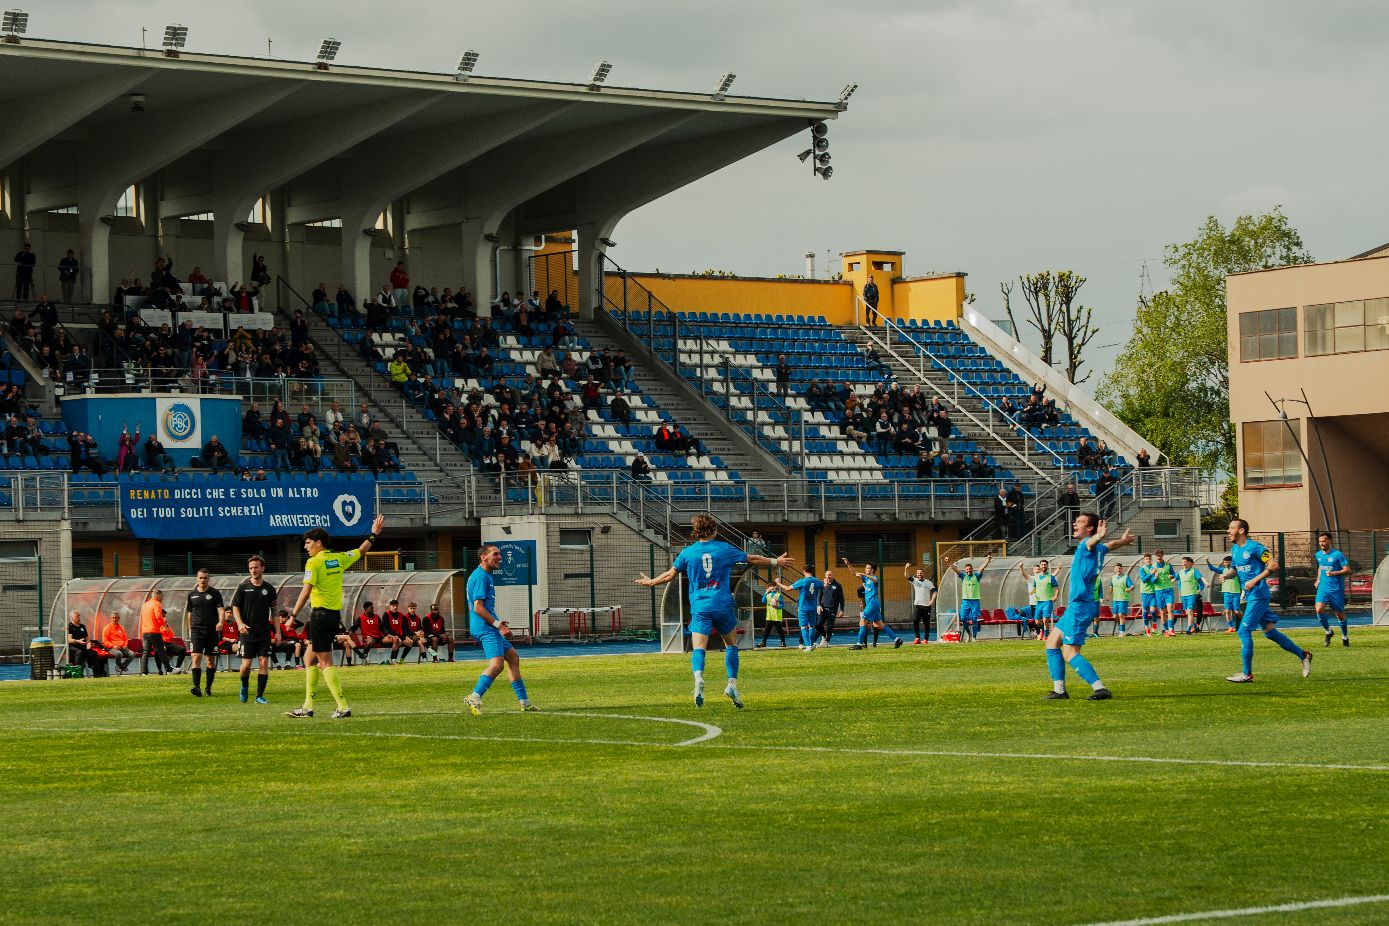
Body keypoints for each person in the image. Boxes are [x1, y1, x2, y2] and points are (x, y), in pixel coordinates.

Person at [635, 515, 788, 708]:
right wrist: (775, 562)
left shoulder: (687, 553)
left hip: (700, 607)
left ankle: (698, 678)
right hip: (722, 605)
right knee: (731, 645)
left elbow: (669, 575)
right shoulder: (724, 549)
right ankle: (731, 684)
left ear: (696, 531)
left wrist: (651, 582)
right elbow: (752, 558)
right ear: (713, 530)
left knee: (699, 648)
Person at [285, 513, 387, 719]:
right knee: (308, 659)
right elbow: (361, 551)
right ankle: (307, 707)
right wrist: (374, 534)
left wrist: (292, 616)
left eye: (308, 542)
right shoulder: (338, 558)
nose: (305, 546)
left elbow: (306, 591)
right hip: (332, 617)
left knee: (325, 663)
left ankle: (342, 706)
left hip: (320, 616)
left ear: (318, 543)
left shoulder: (313, 563)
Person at [1042, 515, 1134, 700]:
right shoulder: (1098, 548)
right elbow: (1110, 545)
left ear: (1090, 528)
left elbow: (1093, 542)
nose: (1075, 524)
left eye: (1080, 522)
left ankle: (1100, 688)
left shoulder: (1088, 544)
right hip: (1077, 606)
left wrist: (1098, 536)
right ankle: (1059, 690)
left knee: (1070, 652)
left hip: (1081, 607)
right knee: (1051, 642)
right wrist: (1123, 541)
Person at [1222, 518, 1312, 684]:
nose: (1228, 531)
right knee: (1270, 632)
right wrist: (1227, 574)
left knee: (1243, 631)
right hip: (1251, 596)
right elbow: (1235, 569)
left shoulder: (1256, 548)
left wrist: (1254, 580)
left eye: (1231, 528)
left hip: (1259, 594)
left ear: (1241, 530)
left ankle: (1247, 674)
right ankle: (1303, 654)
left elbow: (1273, 565)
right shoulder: (1235, 549)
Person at [463, 544, 537, 715]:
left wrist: (496, 622)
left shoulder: (483, 575)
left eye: (500, 554)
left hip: (486, 625)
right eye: (495, 554)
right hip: (486, 628)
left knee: (513, 658)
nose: (500, 558)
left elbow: (475, 607)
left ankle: (525, 702)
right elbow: (478, 608)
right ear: (483, 557)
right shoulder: (481, 576)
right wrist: (499, 626)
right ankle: (474, 696)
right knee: (497, 665)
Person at [231, 555, 279, 704]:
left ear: (262, 568)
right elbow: (235, 607)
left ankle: (259, 696)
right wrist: (240, 624)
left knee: (263, 662)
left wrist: (277, 632)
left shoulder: (269, 589)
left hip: (263, 632)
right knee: (246, 666)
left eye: (256, 567)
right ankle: (244, 686)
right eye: (251, 568)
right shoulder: (243, 588)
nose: (253, 570)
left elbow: (274, 612)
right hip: (247, 632)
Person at [844, 558, 902, 650]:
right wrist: (848, 564)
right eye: (866, 568)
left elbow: (875, 580)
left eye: (867, 568)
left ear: (872, 570)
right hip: (873, 604)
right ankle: (897, 639)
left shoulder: (875, 578)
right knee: (880, 625)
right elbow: (854, 573)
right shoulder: (865, 578)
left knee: (862, 621)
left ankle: (859, 644)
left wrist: (864, 575)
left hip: (872, 603)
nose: (865, 569)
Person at [184, 568, 225, 697]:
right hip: (197, 630)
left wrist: (221, 622)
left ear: (208, 578)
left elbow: (221, 609)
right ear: (197, 578)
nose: (203, 580)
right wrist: (190, 629)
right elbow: (189, 614)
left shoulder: (215, 593)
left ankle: (208, 688)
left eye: (205, 578)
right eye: (200, 578)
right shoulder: (192, 595)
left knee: (210, 660)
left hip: (211, 631)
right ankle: (197, 687)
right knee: (196, 657)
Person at [1313, 531, 1351, 647]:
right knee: (1319, 609)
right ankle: (1328, 631)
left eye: (1324, 541)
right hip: (1323, 588)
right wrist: (1318, 579)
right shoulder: (1318, 555)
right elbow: (1321, 567)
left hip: (1336, 589)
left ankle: (1344, 637)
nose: (1322, 543)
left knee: (1339, 614)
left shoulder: (1338, 555)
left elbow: (1347, 570)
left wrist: (1335, 573)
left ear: (1329, 541)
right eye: (1320, 541)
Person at [773, 566, 824, 652]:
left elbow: (787, 588)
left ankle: (808, 646)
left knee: (803, 627)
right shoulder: (817, 581)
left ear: (804, 571)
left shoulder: (802, 581)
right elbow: (824, 587)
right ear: (812, 571)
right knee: (812, 627)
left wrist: (778, 583)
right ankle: (812, 644)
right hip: (813, 607)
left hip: (803, 607)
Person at [947, 555, 993, 642]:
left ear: (972, 569)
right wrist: (949, 562)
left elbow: (982, 568)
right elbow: (955, 569)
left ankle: (974, 636)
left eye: (970, 569)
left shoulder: (976, 576)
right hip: (965, 601)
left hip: (975, 601)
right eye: (967, 569)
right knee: (963, 618)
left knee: (974, 619)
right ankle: (968, 633)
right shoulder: (963, 576)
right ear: (965, 570)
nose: (968, 570)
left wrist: (988, 560)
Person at [1020, 559, 1057, 640]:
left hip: (1046, 601)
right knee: (1037, 621)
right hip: (1034, 603)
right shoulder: (1032, 578)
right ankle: (1042, 632)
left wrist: (1058, 568)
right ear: (1033, 570)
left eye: (1038, 569)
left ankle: (1045, 635)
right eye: (1035, 569)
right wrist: (1021, 568)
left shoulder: (1048, 577)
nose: (1037, 570)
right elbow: (1025, 576)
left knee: (1045, 619)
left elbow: (1053, 578)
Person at [1203, 555, 1241, 634]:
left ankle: (1244, 624)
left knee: (1237, 611)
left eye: (1226, 562)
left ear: (1231, 562)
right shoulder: (1223, 570)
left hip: (1235, 592)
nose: (1224, 564)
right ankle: (1231, 627)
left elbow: (1242, 581)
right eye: (1224, 562)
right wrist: (1207, 561)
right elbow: (1213, 569)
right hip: (1226, 592)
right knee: (1227, 611)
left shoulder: (1236, 570)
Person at [139, 590, 171, 676]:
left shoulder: (145, 604)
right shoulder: (157, 604)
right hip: (154, 631)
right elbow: (158, 617)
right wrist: (163, 624)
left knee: (146, 652)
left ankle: (144, 671)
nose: (162, 598)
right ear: (158, 595)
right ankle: (169, 669)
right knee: (161, 651)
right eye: (162, 596)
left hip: (145, 631)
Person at [66, 610, 106, 677]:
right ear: (72, 618)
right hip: (73, 647)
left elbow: (87, 638)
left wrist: (88, 644)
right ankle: (78, 674)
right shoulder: (70, 626)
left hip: (83, 646)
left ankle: (97, 675)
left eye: (79, 616)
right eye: (77, 616)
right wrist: (78, 641)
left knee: (94, 653)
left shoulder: (82, 626)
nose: (79, 617)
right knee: (79, 652)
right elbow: (69, 640)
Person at [903, 563, 936, 645]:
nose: (919, 575)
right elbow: (907, 576)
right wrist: (906, 568)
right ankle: (917, 638)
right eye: (918, 573)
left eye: (921, 573)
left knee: (926, 623)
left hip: (927, 606)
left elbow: (935, 592)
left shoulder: (929, 583)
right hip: (918, 605)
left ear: (924, 574)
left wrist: (932, 600)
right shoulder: (915, 581)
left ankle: (926, 639)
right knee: (915, 620)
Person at [1175, 556, 1207, 635]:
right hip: (1184, 595)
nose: (1183, 564)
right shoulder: (1180, 572)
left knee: (1190, 611)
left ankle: (1188, 629)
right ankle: (1195, 627)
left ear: (1190, 563)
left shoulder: (1194, 571)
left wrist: (1200, 589)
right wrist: (1179, 588)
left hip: (1192, 594)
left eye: (1185, 562)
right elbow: (1176, 580)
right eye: (1182, 562)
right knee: (1187, 612)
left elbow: (1201, 581)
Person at [815, 569, 844, 648]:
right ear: (825, 576)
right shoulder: (822, 585)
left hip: (833, 609)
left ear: (832, 575)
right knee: (818, 624)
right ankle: (823, 636)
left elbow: (841, 598)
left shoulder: (838, 585)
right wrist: (818, 605)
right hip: (823, 608)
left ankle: (827, 641)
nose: (828, 576)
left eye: (830, 575)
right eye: (827, 575)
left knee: (830, 626)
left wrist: (842, 609)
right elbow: (818, 597)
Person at [1151, 550, 1177, 635]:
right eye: (1157, 556)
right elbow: (1152, 581)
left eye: (1160, 555)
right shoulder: (1153, 567)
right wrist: (1155, 577)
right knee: (1162, 611)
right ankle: (1166, 630)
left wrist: (1172, 576)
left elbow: (1174, 574)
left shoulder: (1168, 564)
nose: (1159, 557)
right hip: (1159, 591)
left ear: (1163, 556)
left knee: (1170, 609)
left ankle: (1171, 629)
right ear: (1156, 557)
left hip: (1168, 590)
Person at [1136, 553, 1160, 637]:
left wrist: (1156, 577)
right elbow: (1144, 580)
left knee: (1153, 610)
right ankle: (1146, 628)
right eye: (1146, 559)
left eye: (1149, 558)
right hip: (1145, 593)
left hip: (1153, 593)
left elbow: (1153, 581)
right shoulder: (1142, 569)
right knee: (1145, 611)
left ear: (1151, 559)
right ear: (1144, 560)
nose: (1148, 560)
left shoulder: (1154, 568)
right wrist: (1151, 573)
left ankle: (1154, 624)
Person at [757, 583, 787, 649]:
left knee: (779, 630)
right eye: (770, 586)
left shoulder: (778, 595)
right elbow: (763, 601)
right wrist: (765, 593)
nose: (772, 587)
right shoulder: (768, 595)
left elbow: (782, 604)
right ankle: (763, 642)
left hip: (776, 615)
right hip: (769, 615)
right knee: (767, 630)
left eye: (773, 586)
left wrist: (778, 606)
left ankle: (783, 642)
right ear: (769, 588)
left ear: (776, 587)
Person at [1109, 562, 1135, 636]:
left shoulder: (1125, 577)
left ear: (1122, 569)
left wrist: (1129, 589)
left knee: (1121, 615)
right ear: (1114, 569)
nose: (1118, 570)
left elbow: (1132, 586)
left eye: (1120, 568)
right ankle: (1120, 627)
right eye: (1117, 568)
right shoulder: (1113, 577)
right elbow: (1111, 587)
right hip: (1115, 599)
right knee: (1115, 616)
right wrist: (1108, 595)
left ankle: (1122, 632)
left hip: (1123, 599)